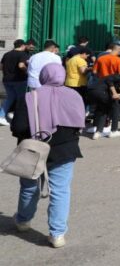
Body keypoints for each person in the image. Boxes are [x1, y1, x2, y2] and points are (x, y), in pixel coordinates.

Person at [11, 63, 85, 248]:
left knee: (29, 187)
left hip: (33, 150)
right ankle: (57, 234)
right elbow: (79, 123)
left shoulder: (29, 97)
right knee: (60, 190)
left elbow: (18, 127)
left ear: (43, 76)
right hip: (65, 150)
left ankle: (23, 221)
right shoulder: (75, 96)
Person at [86, 72, 120, 139]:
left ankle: (98, 133)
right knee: (116, 105)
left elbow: (109, 92)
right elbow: (109, 80)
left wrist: (117, 94)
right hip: (99, 92)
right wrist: (115, 93)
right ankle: (114, 131)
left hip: (91, 92)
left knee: (103, 110)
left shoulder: (112, 83)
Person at [1, 39, 29, 125]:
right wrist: (27, 71)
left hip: (7, 80)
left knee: (10, 98)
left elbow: (1, 66)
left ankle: (1, 116)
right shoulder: (23, 54)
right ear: (22, 46)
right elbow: (21, 65)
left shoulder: (6, 54)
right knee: (21, 99)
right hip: (19, 80)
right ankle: (17, 117)